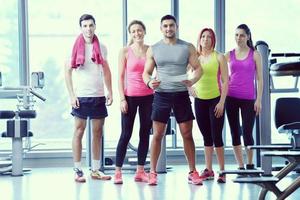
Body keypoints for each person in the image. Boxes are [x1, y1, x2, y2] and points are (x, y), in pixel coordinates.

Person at [143, 14, 203, 186]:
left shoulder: (187, 47)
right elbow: (146, 72)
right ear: (161, 28)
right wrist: (149, 82)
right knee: (157, 135)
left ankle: (192, 171)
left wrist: (192, 81)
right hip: (161, 94)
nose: (169, 28)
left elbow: (199, 69)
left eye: (171, 25)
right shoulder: (154, 49)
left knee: (187, 134)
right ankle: (152, 172)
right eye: (165, 26)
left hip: (181, 94)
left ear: (176, 27)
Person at [64, 14, 113, 183]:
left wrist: (110, 91)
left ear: (95, 26)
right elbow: (67, 72)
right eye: (85, 26)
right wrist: (71, 95)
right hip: (81, 96)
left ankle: (96, 170)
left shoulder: (102, 47)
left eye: (91, 25)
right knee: (79, 131)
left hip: (98, 95)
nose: (88, 29)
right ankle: (78, 170)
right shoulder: (74, 47)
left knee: (98, 133)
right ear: (81, 28)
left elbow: (106, 71)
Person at [114, 20, 153, 184]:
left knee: (144, 134)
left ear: (144, 31)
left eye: (139, 30)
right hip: (130, 97)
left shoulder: (151, 50)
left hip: (149, 96)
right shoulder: (124, 51)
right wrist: (122, 98)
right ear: (130, 34)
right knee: (126, 134)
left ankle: (140, 171)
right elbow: (120, 77)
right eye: (133, 31)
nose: (137, 33)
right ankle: (118, 172)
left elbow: (157, 71)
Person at [189, 28, 228, 183]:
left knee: (217, 136)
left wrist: (222, 102)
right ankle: (209, 170)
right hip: (199, 101)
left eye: (209, 37)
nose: (206, 39)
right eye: (203, 37)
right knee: (206, 136)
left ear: (213, 40)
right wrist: (189, 88)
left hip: (215, 100)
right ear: (199, 39)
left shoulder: (219, 57)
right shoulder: (195, 57)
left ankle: (222, 171)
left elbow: (225, 80)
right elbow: (184, 74)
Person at [225, 24, 263, 171]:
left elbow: (260, 79)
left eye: (241, 35)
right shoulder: (229, 54)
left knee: (247, 132)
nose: (238, 38)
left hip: (249, 99)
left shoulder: (255, 54)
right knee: (235, 132)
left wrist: (258, 99)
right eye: (236, 35)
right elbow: (218, 70)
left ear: (248, 36)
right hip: (231, 97)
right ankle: (240, 166)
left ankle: (250, 163)